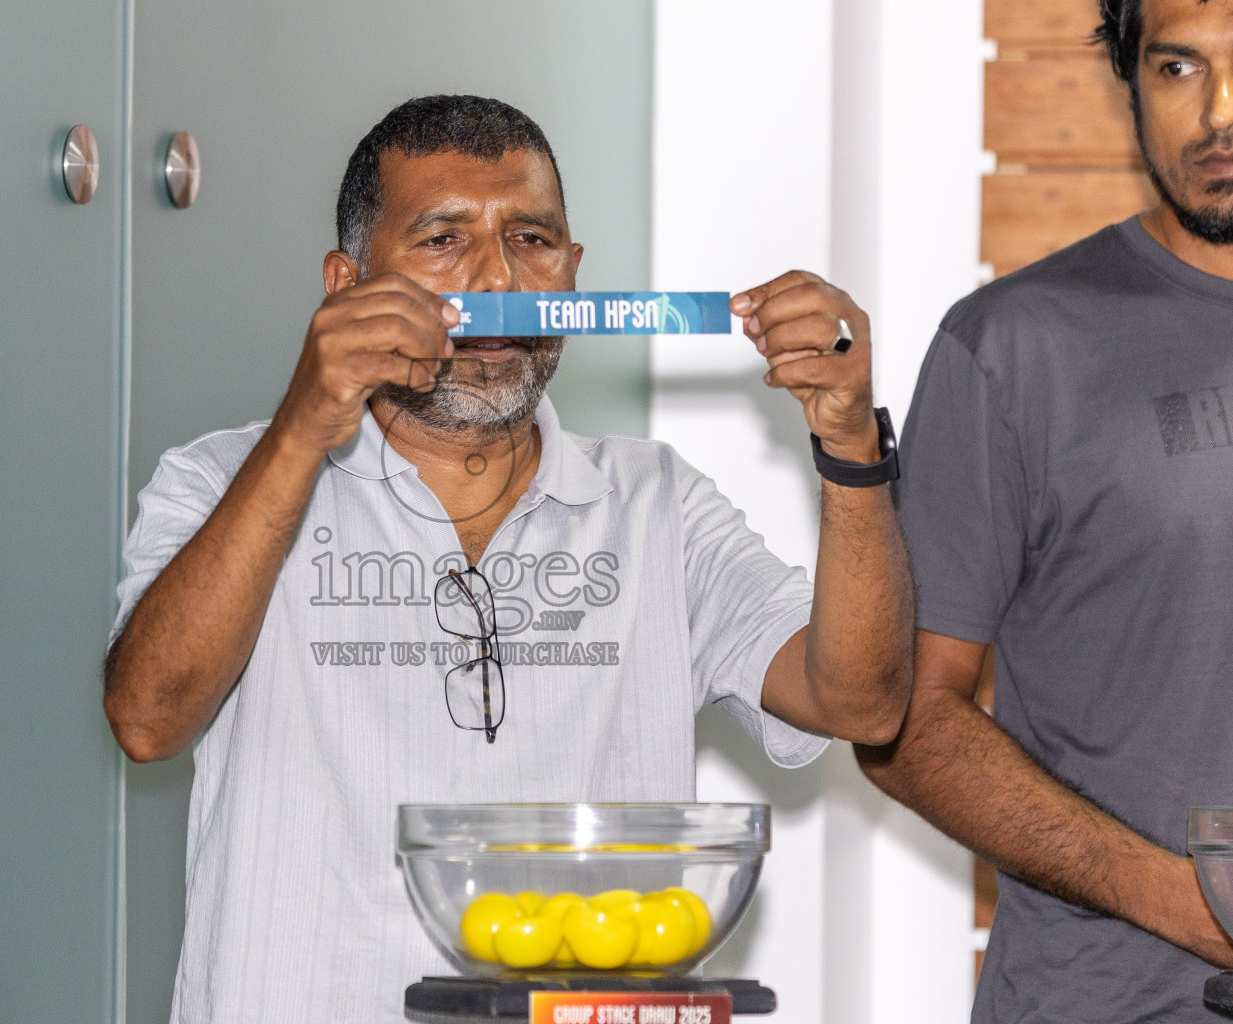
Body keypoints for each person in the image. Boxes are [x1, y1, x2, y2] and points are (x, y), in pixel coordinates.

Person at [104, 94, 912, 1023]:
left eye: (531, 239)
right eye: (443, 240)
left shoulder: (659, 507)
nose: (497, 278)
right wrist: (297, 434)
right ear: (345, 284)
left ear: (573, 272)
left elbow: (861, 701)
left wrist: (852, 446)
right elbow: (147, 720)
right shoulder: (219, 482)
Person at [856, 0, 1233, 1019]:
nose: (1218, 115)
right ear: (1129, 83)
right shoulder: (1014, 347)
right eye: (1177, 69)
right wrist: (1194, 905)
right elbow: (904, 725)